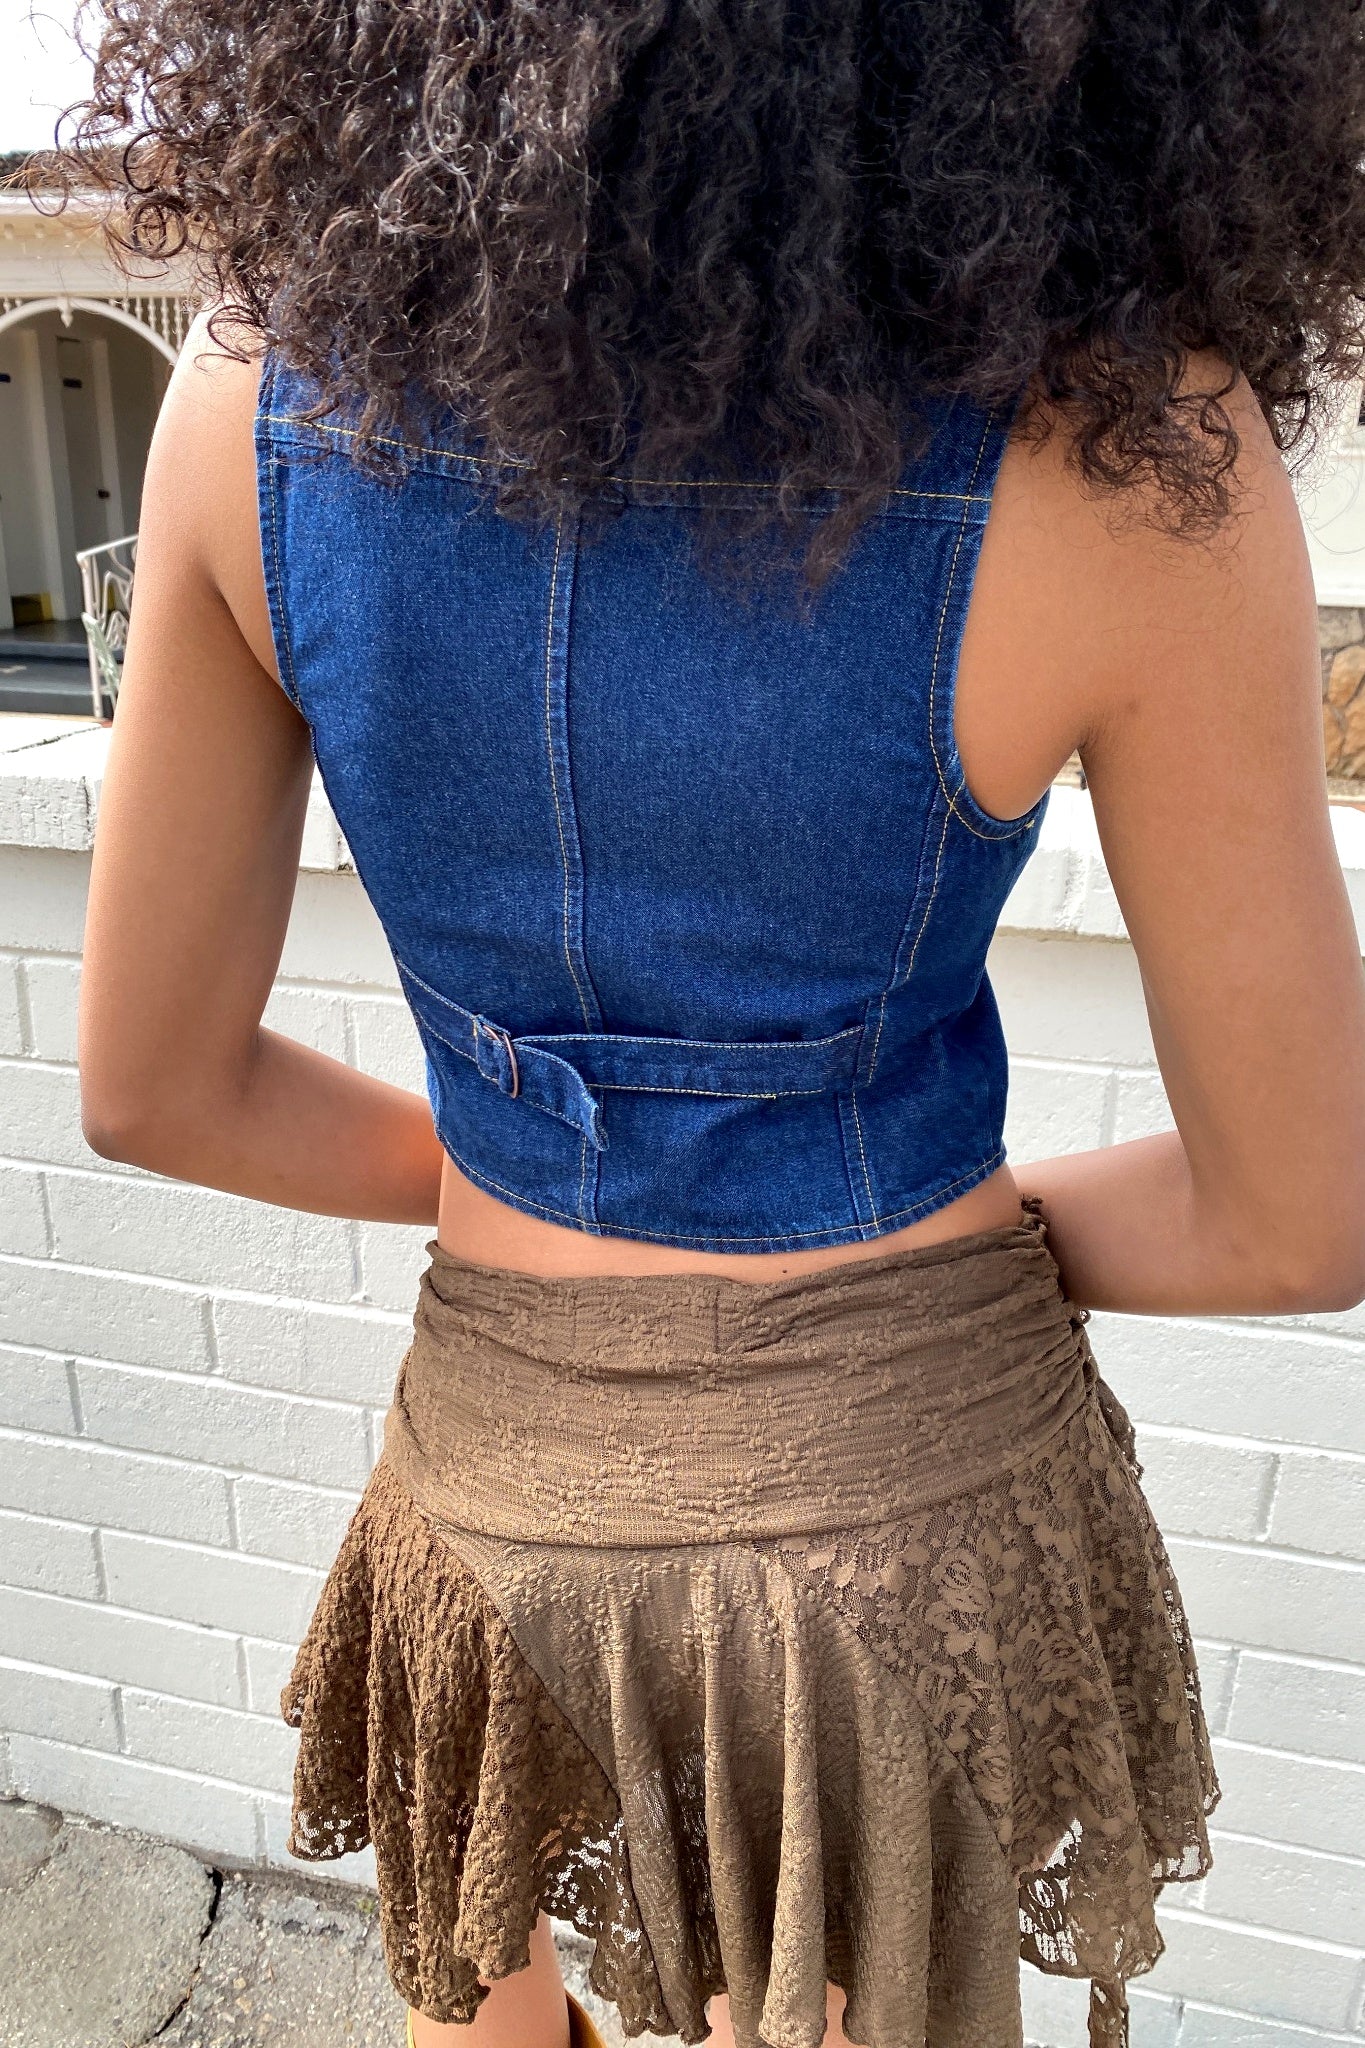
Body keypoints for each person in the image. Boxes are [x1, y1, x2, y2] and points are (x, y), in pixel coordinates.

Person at [58, 2, 1365, 2043]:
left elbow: (148, 1086)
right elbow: (1296, 1215)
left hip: (496, 1479)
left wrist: (506, 1188)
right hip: (892, 1510)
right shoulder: (1125, 455)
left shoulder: (251, 402)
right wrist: (946, 1262)